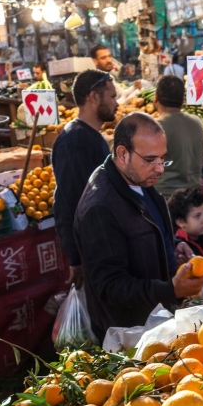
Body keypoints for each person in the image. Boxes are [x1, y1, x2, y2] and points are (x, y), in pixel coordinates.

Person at [74, 113, 203, 341]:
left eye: (162, 159)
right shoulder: (100, 207)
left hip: (156, 319)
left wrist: (172, 246)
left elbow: (144, 231)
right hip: (129, 333)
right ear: (122, 153)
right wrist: (170, 290)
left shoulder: (139, 180)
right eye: (150, 160)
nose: (160, 169)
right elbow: (110, 287)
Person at [52, 69, 118, 289]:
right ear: (94, 97)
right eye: (112, 96)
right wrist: (76, 259)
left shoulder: (92, 136)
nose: (116, 103)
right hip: (90, 251)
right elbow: (67, 202)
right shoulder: (74, 141)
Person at [153, 75, 203, 197]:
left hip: (167, 197)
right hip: (193, 195)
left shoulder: (155, 127)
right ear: (183, 100)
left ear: (156, 97)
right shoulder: (197, 122)